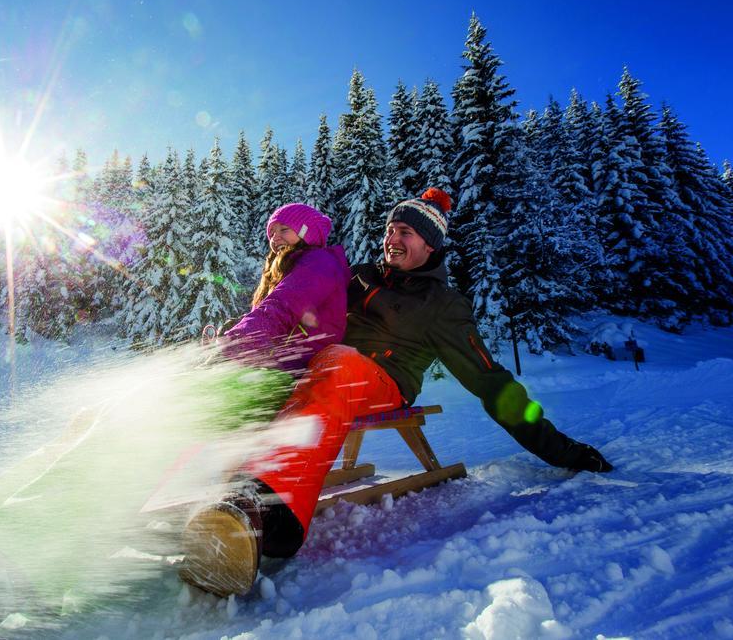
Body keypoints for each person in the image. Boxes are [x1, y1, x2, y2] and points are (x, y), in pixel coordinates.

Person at [179, 188, 613, 598]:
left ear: (429, 244)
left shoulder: (443, 304)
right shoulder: (362, 277)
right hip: (323, 372)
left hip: (383, 381)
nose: (392, 239)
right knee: (265, 383)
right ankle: (218, 502)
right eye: (389, 231)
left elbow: (491, 383)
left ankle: (269, 516)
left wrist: (564, 452)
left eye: (404, 232)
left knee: (339, 363)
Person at [216, 202, 350, 372]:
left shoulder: (319, 262)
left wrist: (239, 341)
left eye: (284, 229)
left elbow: (284, 306)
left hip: (304, 369)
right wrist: (241, 325)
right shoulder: (286, 268)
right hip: (283, 364)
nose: (275, 237)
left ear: (306, 233)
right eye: (272, 233)